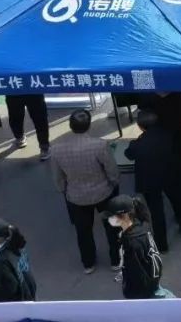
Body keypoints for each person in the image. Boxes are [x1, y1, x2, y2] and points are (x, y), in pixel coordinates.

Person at [51, 109, 120, 273]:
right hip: (103, 192)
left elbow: (58, 177)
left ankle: (88, 263)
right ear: (89, 125)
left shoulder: (57, 149)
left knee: (83, 232)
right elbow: (111, 170)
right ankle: (116, 260)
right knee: (112, 227)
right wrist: (114, 183)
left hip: (76, 196)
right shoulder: (100, 145)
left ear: (70, 126)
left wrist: (63, 190)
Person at [124, 110, 181, 252]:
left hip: (149, 181)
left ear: (140, 126)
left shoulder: (137, 144)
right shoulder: (168, 135)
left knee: (156, 212)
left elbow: (128, 154)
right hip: (170, 174)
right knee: (179, 202)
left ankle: (162, 245)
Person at [103, 195, 169, 299]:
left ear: (124, 216)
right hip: (152, 279)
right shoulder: (143, 225)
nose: (109, 219)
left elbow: (137, 273)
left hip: (142, 292)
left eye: (112, 216)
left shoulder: (132, 242)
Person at [0, 219, 36, 302]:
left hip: (14, 307)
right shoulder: (17, 249)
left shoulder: (0, 262)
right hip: (28, 301)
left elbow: (8, 293)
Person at [4, 93, 50, 160]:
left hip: (33, 91)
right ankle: (19, 136)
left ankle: (44, 146)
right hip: (14, 91)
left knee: (40, 118)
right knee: (15, 116)